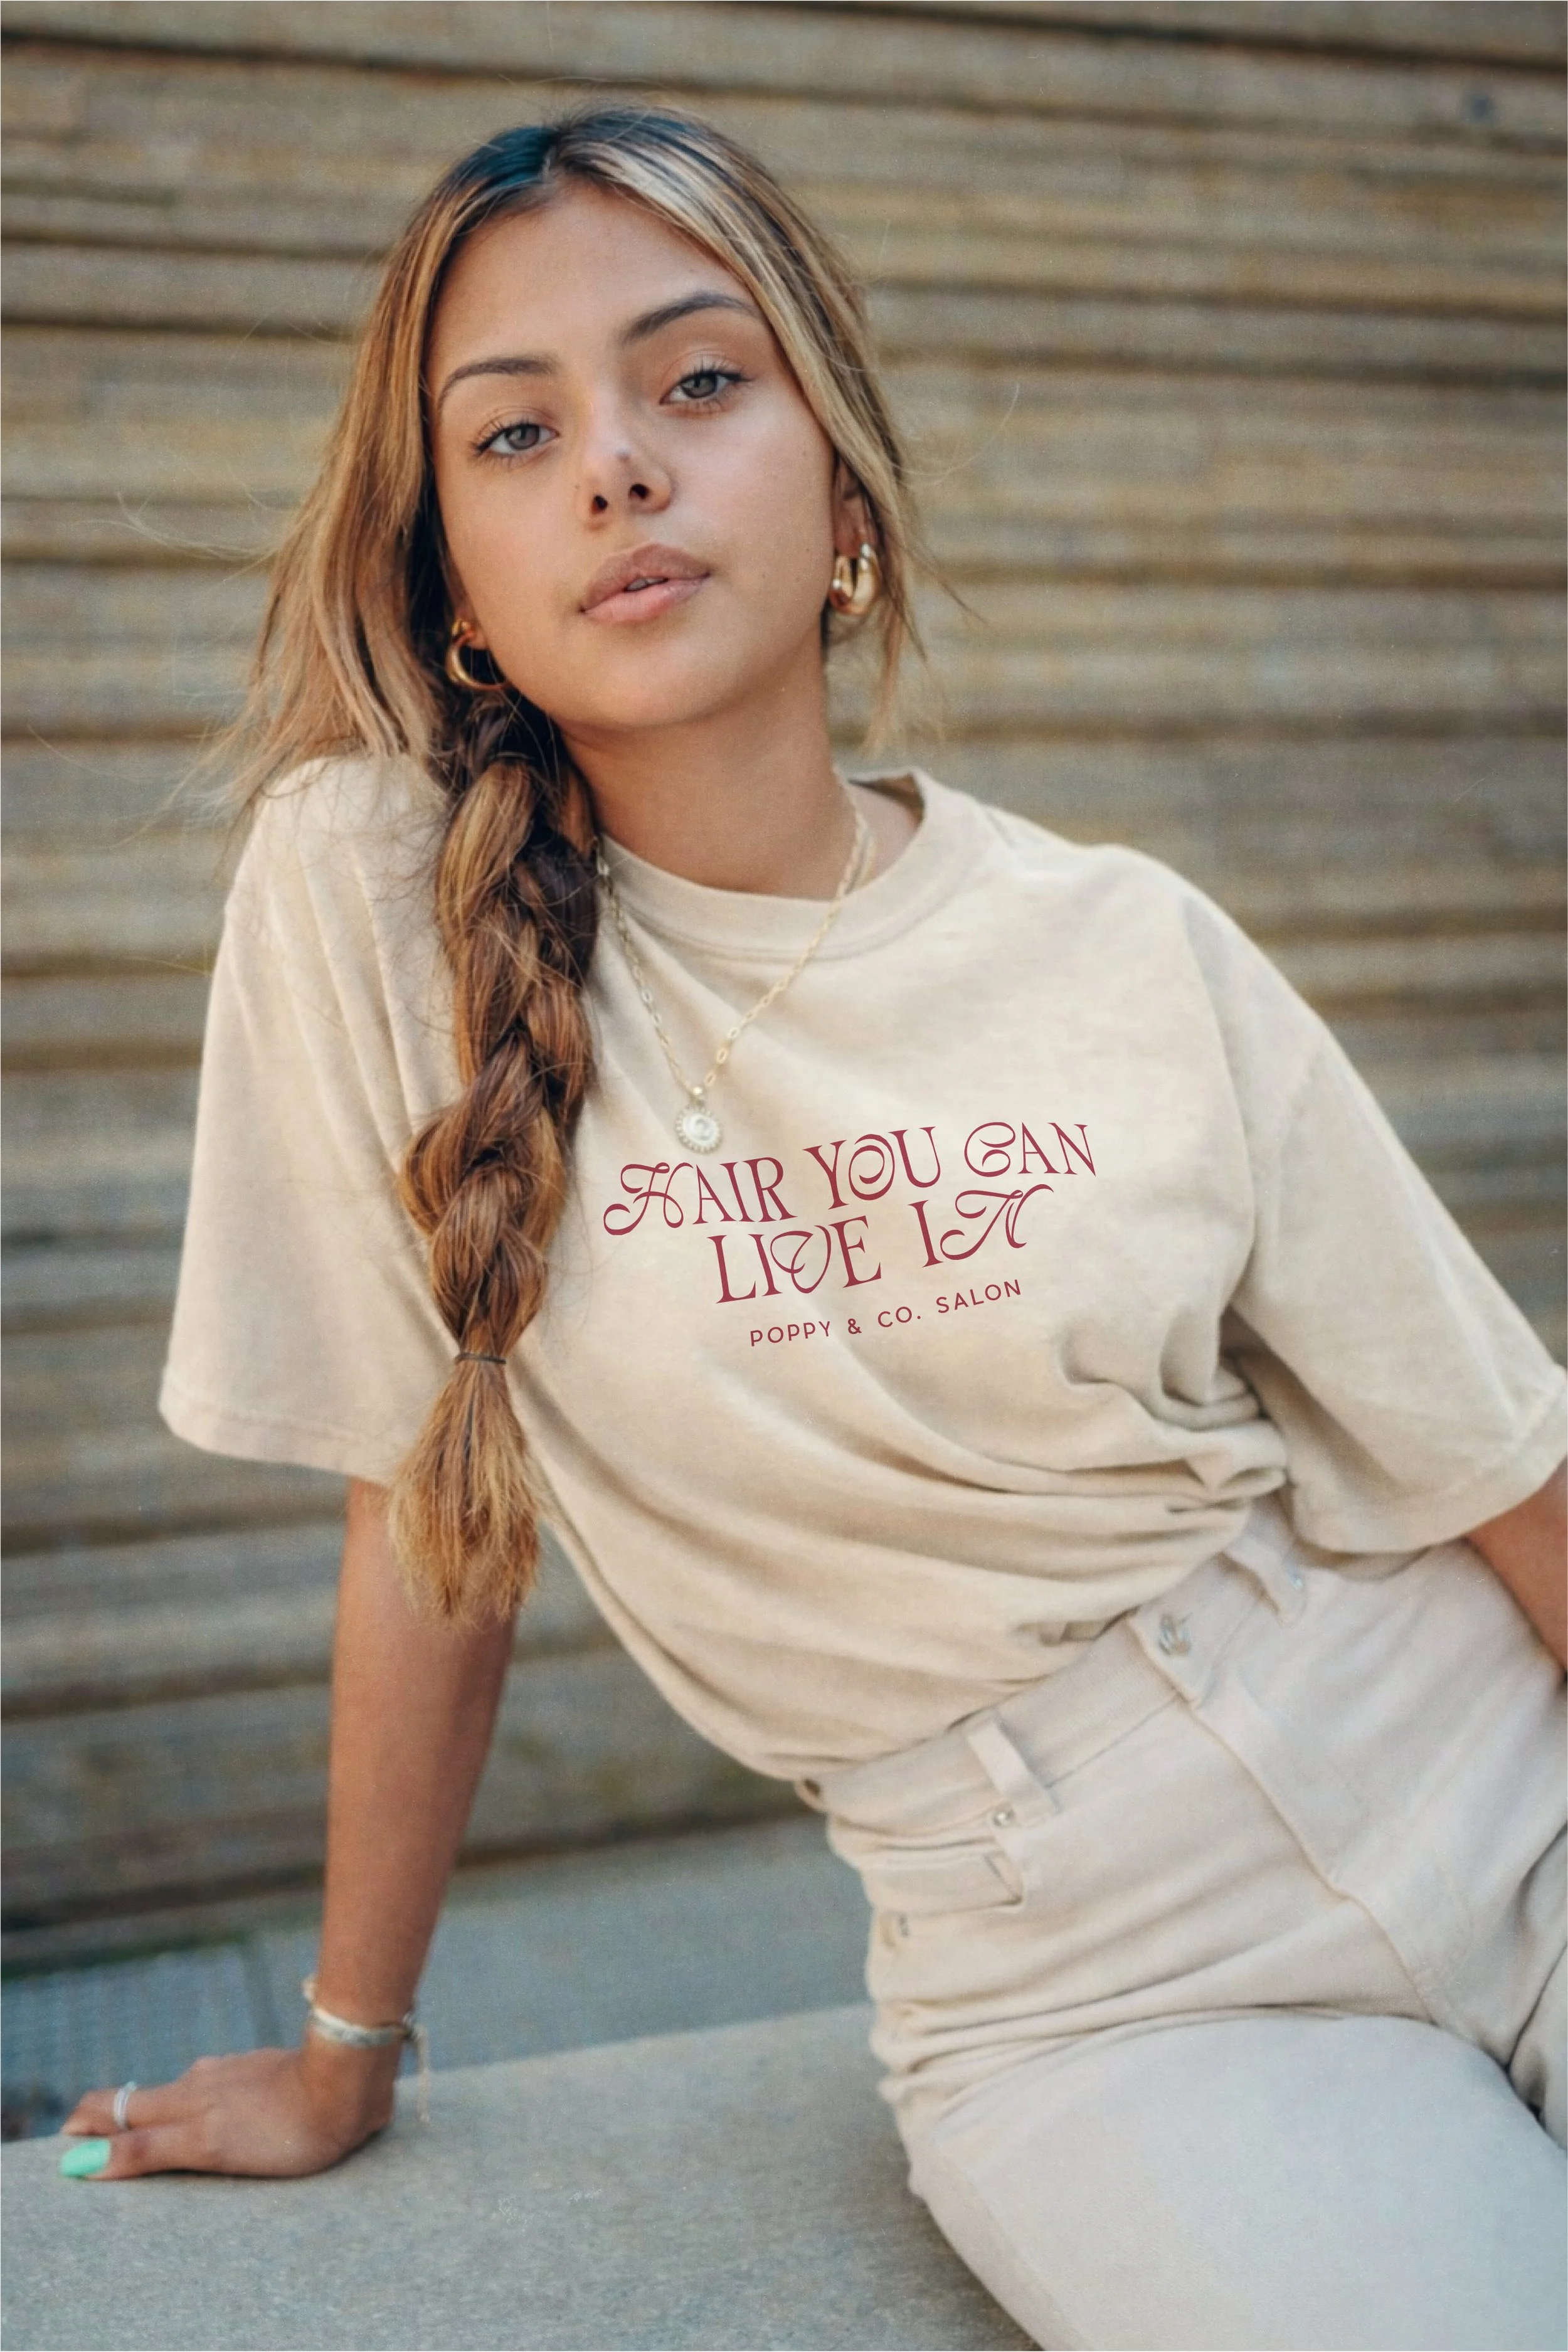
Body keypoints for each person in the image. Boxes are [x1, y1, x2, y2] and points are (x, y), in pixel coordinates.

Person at [60, 109, 1566, 2350]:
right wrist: (344, 2046)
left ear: (843, 496)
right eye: (514, 433)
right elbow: (424, 1507)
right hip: (1096, 1987)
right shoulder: (371, 908)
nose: (615, 468)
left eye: (698, 381)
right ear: (454, 580)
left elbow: (1497, 1455)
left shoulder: (1122, 936)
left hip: (1491, 1761)